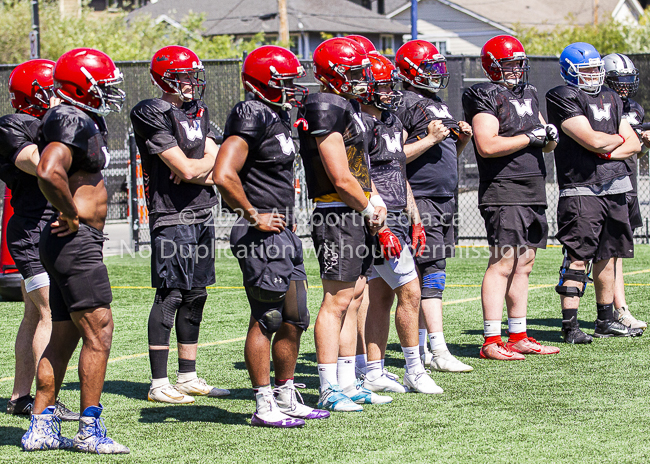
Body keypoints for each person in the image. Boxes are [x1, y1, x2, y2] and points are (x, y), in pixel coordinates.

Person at [214, 45, 329, 427]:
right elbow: (223, 173)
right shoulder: (251, 113)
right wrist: (253, 215)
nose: (293, 88)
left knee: (295, 319)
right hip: (260, 235)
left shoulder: (278, 116)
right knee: (268, 317)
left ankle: (285, 393)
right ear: (262, 82)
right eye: (285, 81)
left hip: (284, 233)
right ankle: (263, 403)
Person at [22, 47, 129, 453]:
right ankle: (89, 429)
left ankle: (41, 426)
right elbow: (50, 170)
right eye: (102, 85)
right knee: (100, 332)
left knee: (64, 337)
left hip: (71, 242)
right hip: (76, 241)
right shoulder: (69, 116)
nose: (109, 92)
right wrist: (70, 213)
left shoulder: (78, 117)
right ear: (80, 86)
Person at [130, 45, 230, 404]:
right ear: (164, 78)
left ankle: (187, 376)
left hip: (202, 211)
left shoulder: (198, 112)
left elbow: (218, 158)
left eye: (192, 75)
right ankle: (159, 383)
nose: (190, 82)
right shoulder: (150, 111)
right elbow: (190, 167)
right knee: (171, 293)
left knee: (196, 294)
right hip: (171, 214)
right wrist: (203, 168)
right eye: (183, 76)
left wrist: (200, 170)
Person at [296, 37, 391, 411]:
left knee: (355, 297)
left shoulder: (344, 104)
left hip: (354, 208)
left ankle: (348, 381)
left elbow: (357, 164)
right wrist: (368, 205)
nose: (360, 78)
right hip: (337, 211)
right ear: (331, 74)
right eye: (352, 71)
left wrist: (372, 199)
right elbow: (339, 174)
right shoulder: (323, 104)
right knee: (336, 300)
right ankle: (327, 385)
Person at [462, 35, 560, 359]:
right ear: (493, 66)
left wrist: (549, 138)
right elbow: (487, 145)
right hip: (504, 186)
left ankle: (518, 334)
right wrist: (529, 137)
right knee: (503, 260)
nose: (516, 69)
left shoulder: (528, 93)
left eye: (519, 63)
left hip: (533, 185)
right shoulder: (484, 94)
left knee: (526, 262)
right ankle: (491, 340)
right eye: (509, 64)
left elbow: (542, 142)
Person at [546, 43, 643, 343]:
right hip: (581, 187)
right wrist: (610, 143)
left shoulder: (612, 95)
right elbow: (592, 140)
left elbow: (634, 144)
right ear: (570, 72)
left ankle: (605, 320)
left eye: (595, 70)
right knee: (577, 257)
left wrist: (607, 151)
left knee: (608, 256)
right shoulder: (562, 95)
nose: (592, 76)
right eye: (586, 71)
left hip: (615, 185)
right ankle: (570, 325)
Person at [360, 52, 443, 394]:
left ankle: (375, 371)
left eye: (390, 85)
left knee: (382, 298)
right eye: (381, 86)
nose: (389, 92)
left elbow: (398, 171)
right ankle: (414, 367)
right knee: (411, 291)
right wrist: (380, 224)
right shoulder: (361, 124)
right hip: (377, 217)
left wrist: (416, 218)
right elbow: (362, 174)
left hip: (398, 213)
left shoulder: (393, 121)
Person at [1, 60, 78, 422]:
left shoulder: (50, 123)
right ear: (38, 91)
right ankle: (45, 402)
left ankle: (20, 398)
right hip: (33, 231)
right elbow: (35, 161)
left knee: (34, 313)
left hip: (48, 228)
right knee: (52, 314)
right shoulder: (14, 124)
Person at [394, 39, 474, 371]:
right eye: (430, 68)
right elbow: (393, 156)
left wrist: (462, 140)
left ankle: (428, 349)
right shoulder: (405, 103)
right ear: (410, 72)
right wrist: (430, 139)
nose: (437, 74)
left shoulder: (436, 102)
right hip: (420, 198)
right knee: (430, 272)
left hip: (442, 197)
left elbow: (443, 156)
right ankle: (438, 350)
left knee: (434, 271)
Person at [602, 53, 648, 331]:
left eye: (629, 81)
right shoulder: (600, 107)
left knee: (618, 251)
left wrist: (644, 143)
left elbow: (637, 148)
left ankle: (617, 309)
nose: (625, 87)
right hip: (604, 184)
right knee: (598, 253)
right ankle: (613, 310)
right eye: (619, 81)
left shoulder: (635, 108)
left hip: (627, 183)